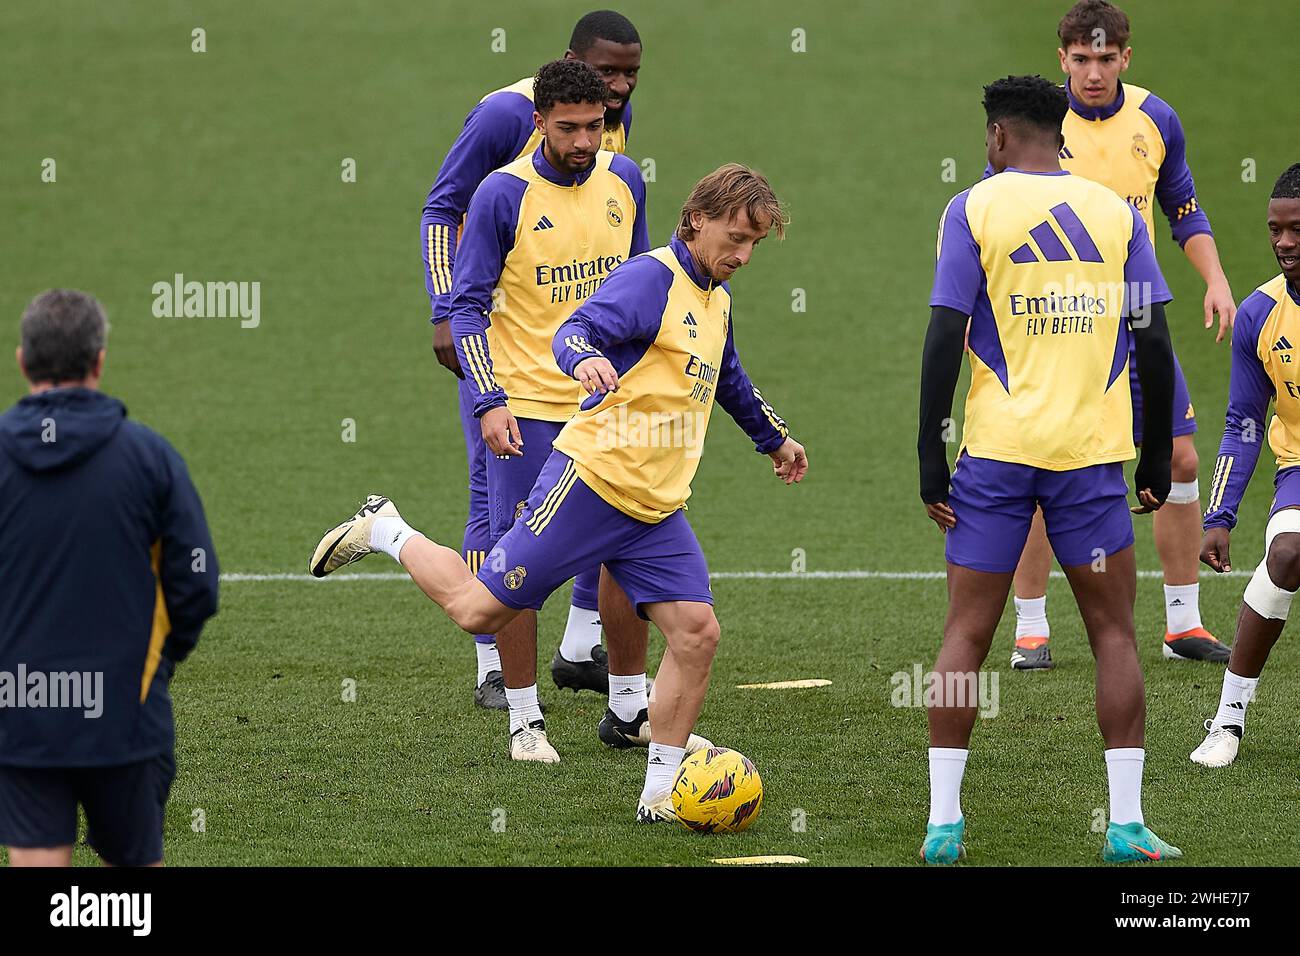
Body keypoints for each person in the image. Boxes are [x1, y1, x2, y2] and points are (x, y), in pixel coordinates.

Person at [313, 164, 805, 820]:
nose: (742, 255)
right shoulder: (651, 278)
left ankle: (659, 793)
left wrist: (773, 438)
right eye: (736, 237)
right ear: (696, 219)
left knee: (696, 633)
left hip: (654, 510)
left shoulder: (716, 296)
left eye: (753, 245)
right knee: (477, 612)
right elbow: (573, 330)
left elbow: (728, 377)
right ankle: (386, 529)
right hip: (588, 487)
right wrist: (585, 360)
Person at [917, 76, 1180, 863]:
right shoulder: (1115, 213)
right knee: (1113, 634)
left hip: (996, 456)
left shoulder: (971, 208)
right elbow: (1155, 342)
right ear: (1059, 132)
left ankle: (943, 826)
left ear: (998, 138)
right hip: (1091, 460)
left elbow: (942, 335)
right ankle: (1126, 827)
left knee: (965, 633)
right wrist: (1159, 453)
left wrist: (931, 455)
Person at [420, 10, 644, 708]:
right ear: (570, 61)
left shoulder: (605, 119)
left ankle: (579, 648)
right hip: (497, 336)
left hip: (577, 350)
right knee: (495, 504)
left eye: (629, 75)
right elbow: (440, 209)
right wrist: (444, 313)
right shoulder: (502, 116)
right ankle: (492, 662)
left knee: (605, 496)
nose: (617, 89)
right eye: (607, 71)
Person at [1008, 0, 1236, 669]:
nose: (1095, 71)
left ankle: (1183, 623)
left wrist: (1215, 278)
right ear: (1063, 59)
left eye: (1106, 58)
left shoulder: (1156, 118)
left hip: (1138, 316)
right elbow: (1000, 219)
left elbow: (1184, 209)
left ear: (1126, 57)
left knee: (1183, 459)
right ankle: (1029, 630)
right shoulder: (1035, 122)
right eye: (1082, 59)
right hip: (1059, 323)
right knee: (1045, 466)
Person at [0, 290, 219, 867]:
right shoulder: (149, 458)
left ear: (23, 361)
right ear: (99, 361)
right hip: (126, 713)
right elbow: (196, 584)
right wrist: (155, 667)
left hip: (22, 718)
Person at [1192, 164, 1300, 767]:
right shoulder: (1261, 315)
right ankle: (1228, 719)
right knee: (1286, 555)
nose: (1284, 243)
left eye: (1297, 230)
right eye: (1275, 231)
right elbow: (1242, 422)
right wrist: (1220, 513)